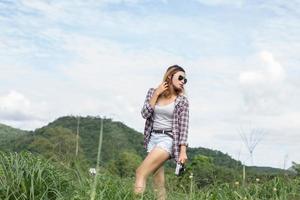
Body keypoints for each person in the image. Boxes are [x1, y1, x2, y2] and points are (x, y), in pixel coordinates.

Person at [134, 65, 189, 200]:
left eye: (185, 80)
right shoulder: (153, 92)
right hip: (152, 139)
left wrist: (183, 151)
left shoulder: (182, 101)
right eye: (180, 77)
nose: (183, 81)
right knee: (158, 183)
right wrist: (156, 94)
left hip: (168, 139)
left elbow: (184, 127)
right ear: (170, 76)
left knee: (140, 172)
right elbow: (145, 114)